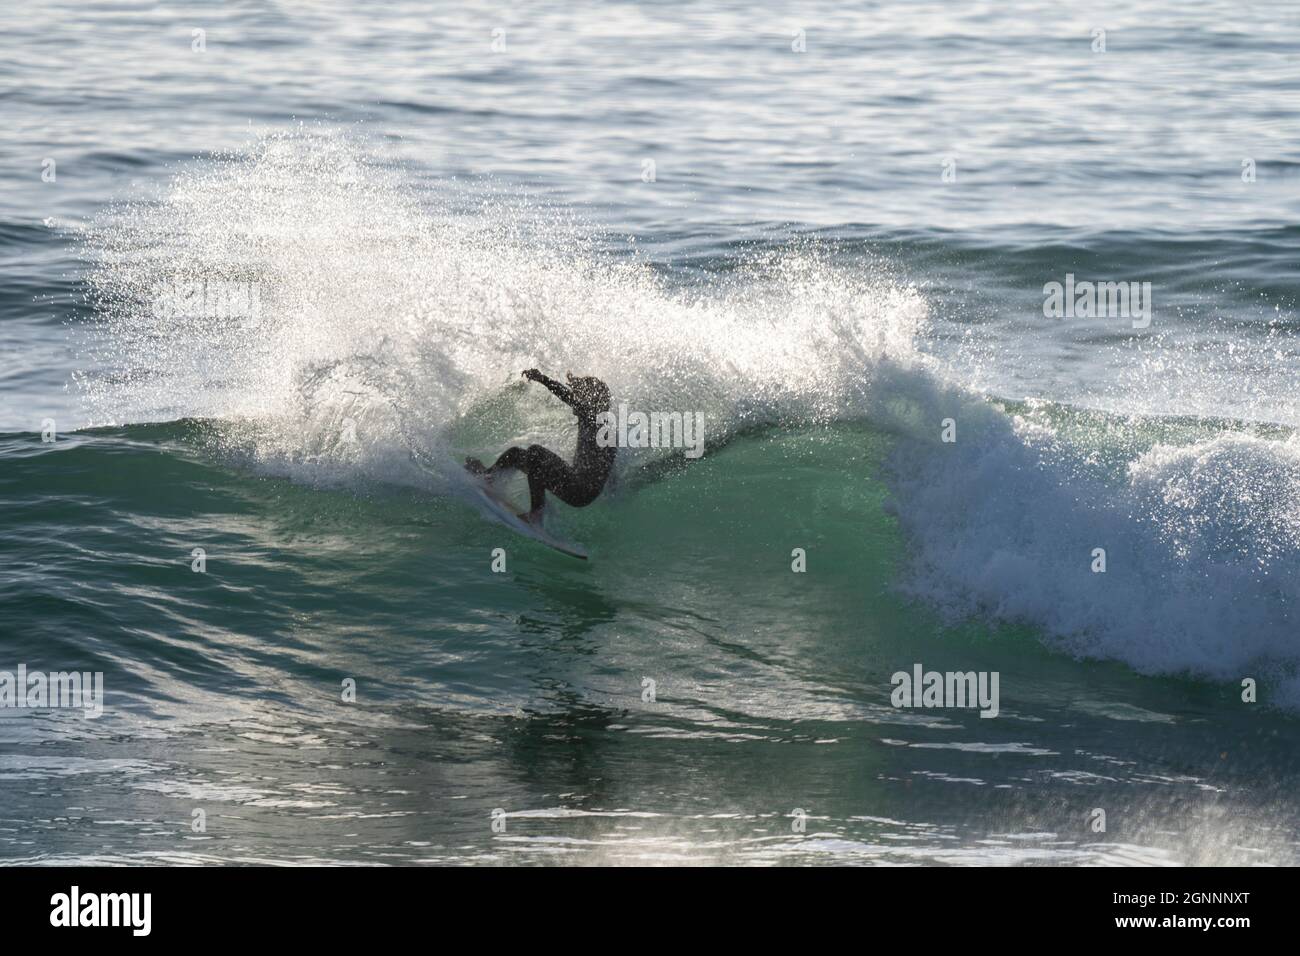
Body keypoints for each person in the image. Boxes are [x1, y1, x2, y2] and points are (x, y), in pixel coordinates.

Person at [466, 370, 616, 523]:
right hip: (576, 485)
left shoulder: (595, 419)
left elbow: (567, 397)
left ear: (590, 400)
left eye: (579, 395)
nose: (575, 402)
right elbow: (606, 470)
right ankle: (489, 476)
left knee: (535, 453)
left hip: (577, 490)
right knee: (516, 454)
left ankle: (536, 514)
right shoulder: (602, 427)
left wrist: (542, 379)